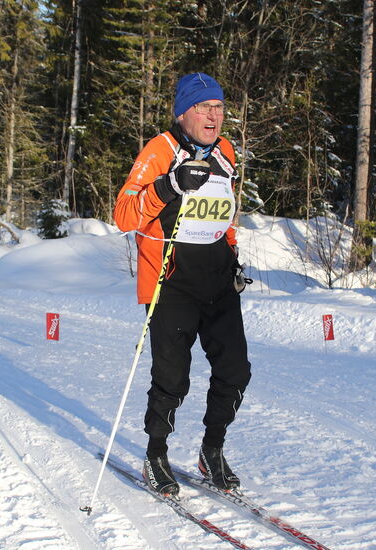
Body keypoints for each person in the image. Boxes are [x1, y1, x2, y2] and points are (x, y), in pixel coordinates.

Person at [114, 72, 252, 497]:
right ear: (183, 112)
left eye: (219, 107)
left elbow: (224, 210)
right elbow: (123, 215)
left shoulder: (225, 151)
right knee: (172, 378)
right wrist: (169, 184)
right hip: (171, 281)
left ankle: (212, 449)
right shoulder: (160, 150)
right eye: (204, 107)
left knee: (235, 371)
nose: (214, 116)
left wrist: (232, 252)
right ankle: (156, 454)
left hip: (218, 278)